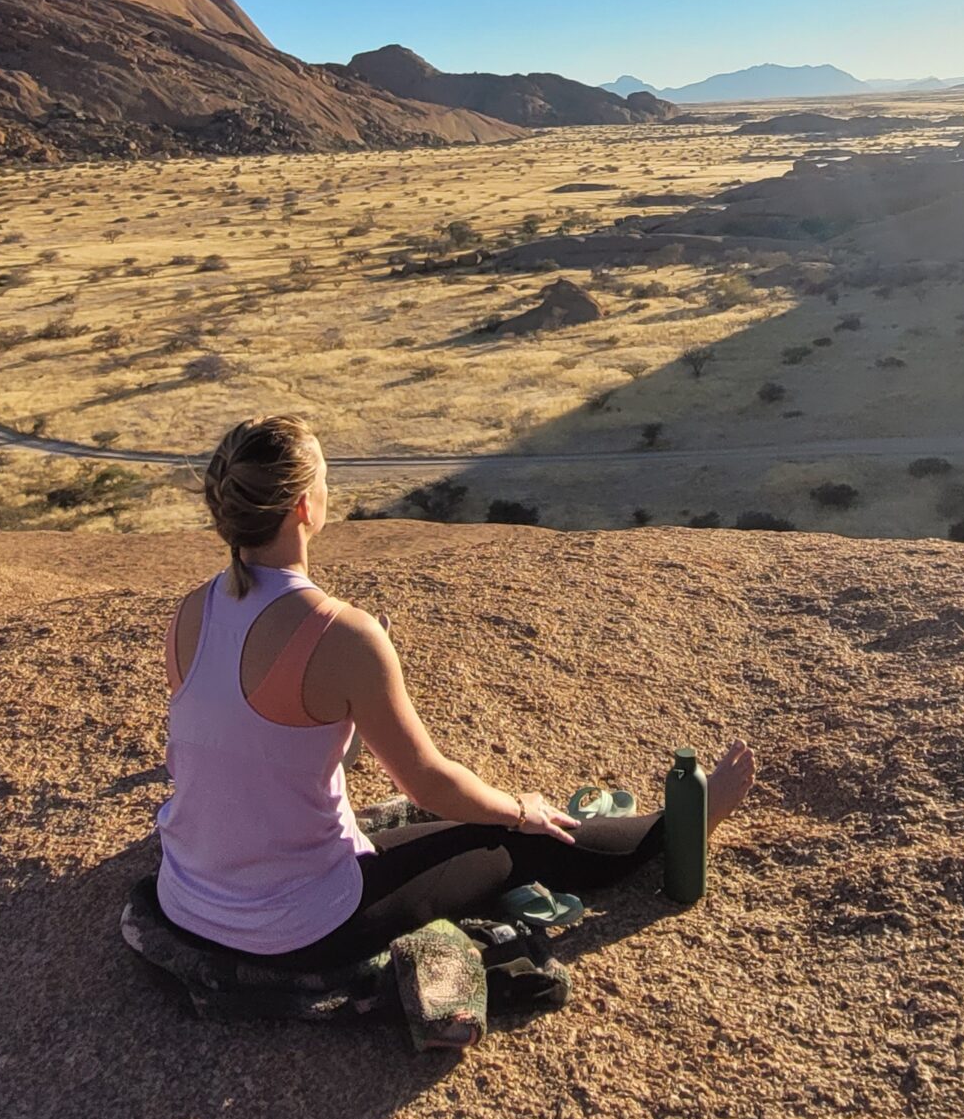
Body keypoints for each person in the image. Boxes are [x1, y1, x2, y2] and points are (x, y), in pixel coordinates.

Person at [156, 413, 755, 968]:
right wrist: (520, 810)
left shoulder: (191, 611)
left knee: (440, 825)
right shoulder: (342, 633)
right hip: (299, 926)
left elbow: (263, 744)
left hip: (185, 896)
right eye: (325, 481)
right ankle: (675, 829)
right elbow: (430, 785)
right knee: (507, 838)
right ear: (304, 507)